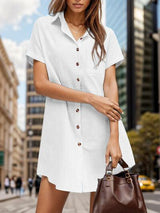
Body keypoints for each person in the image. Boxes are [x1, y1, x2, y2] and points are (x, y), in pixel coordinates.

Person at [25, 0, 136, 212]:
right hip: (61, 134)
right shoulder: (43, 27)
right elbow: (41, 84)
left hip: (101, 135)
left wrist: (114, 136)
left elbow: (110, 85)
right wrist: (90, 98)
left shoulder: (107, 35)